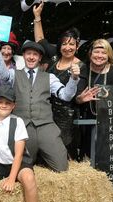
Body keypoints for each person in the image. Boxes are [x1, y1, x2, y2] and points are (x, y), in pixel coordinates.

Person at [0, 37, 80, 171]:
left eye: (35, 54)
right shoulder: (13, 74)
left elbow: (66, 95)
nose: (31, 57)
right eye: (28, 53)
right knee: (19, 168)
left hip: (46, 126)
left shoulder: (49, 77)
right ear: (23, 56)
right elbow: (3, 74)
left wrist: (74, 79)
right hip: (22, 128)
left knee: (62, 167)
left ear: (40, 57)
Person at [33, 1, 88, 160]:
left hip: (66, 118)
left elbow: (77, 97)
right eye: (64, 44)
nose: (67, 47)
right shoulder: (54, 57)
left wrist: (80, 98)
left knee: (63, 154)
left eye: (72, 44)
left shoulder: (81, 66)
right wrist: (37, 17)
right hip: (46, 112)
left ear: (77, 46)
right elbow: (40, 40)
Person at [75, 39, 113, 159]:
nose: (99, 55)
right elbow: (75, 98)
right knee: (87, 156)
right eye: (96, 52)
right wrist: (80, 99)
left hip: (110, 121)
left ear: (109, 55)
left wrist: (111, 99)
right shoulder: (83, 69)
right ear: (90, 54)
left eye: (103, 53)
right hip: (86, 121)